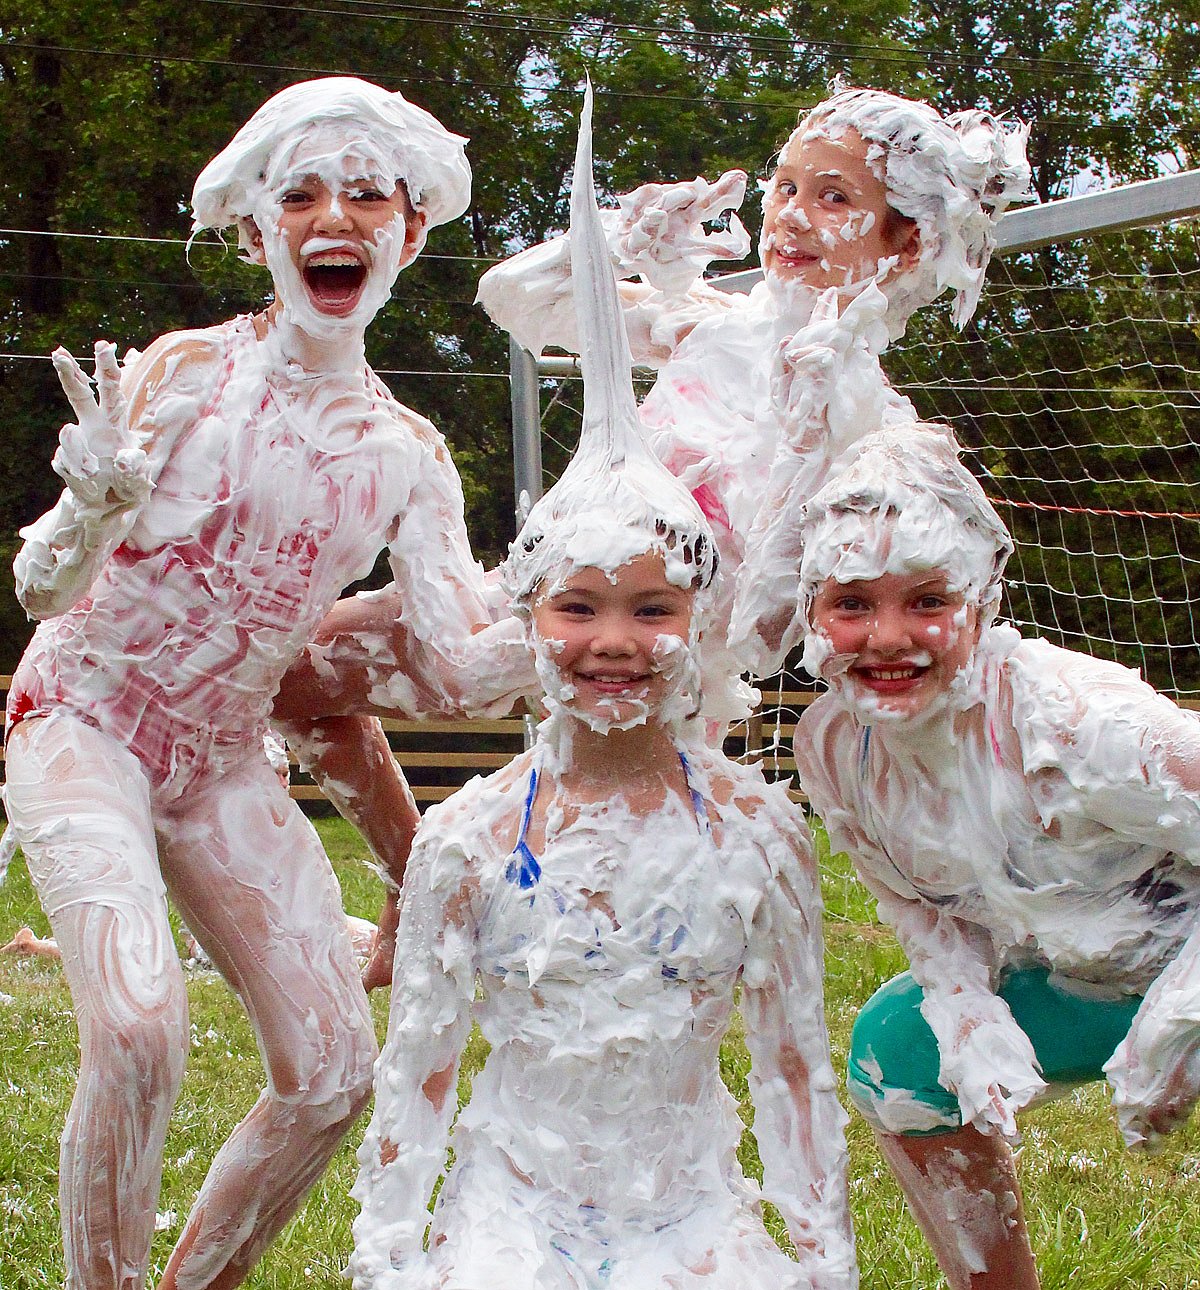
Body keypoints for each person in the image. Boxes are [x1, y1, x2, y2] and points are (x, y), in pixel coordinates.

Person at [3, 76, 533, 1290]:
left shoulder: (409, 454)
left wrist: (582, 610)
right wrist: (87, 509)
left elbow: (458, 662)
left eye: (367, 196)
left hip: (221, 759)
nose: (332, 217)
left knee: (336, 1073)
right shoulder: (190, 369)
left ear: (410, 232)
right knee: (137, 1029)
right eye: (300, 196)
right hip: (83, 718)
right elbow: (40, 589)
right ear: (254, 231)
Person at [349, 89, 856, 1290]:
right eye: (578, 608)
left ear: (700, 625)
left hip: (690, 1211)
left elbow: (793, 1069)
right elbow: (417, 1078)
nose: (613, 643)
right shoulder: (466, 842)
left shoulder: (758, 833)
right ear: (529, 623)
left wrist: (823, 1261)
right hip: (513, 1212)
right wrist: (389, 1259)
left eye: (652, 611)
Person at [772, 422, 1200, 1290]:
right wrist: (963, 1004)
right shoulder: (834, 747)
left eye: (928, 600)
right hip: (1091, 978)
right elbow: (912, 901)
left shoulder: (1071, 718)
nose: (887, 637)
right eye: (852, 604)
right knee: (898, 1052)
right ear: (810, 614)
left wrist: (1183, 1012)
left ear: (983, 599)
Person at [476, 85, 1030, 722]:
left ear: (908, 245)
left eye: (833, 197)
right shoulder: (713, 327)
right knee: (392, 653)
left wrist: (804, 448)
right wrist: (618, 240)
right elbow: (514, 299)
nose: (792, 215)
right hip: (558, 606)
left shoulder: (878, 438)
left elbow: (762, 638)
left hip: (662, 689)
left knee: (430, 668)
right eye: (787, 187)